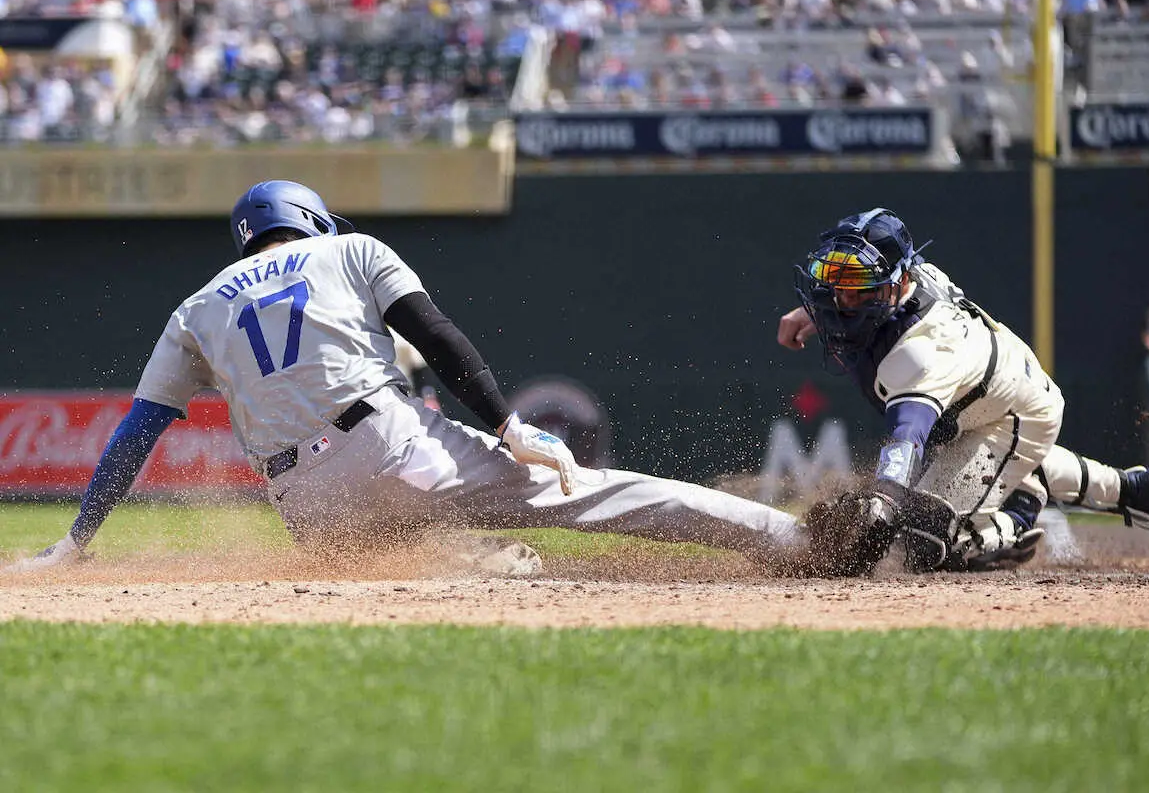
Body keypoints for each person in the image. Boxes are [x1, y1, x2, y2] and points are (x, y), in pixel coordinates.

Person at [4, 180, 801, 575]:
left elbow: (138, 432)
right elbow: (436, 336)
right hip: (391, 445)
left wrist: (78, 541)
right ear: (310, 221)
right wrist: (508, 424)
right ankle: (794, 540)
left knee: (400, 557)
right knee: (600, 495)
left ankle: (484, 567)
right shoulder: (349, 249)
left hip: (306, 505)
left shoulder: (196, 306)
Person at [777, 207, 1149, 575]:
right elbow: (867, 297)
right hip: (988, 397)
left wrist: (884, 499)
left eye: (857, 286)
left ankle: (1019, 512)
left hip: (1013, 414)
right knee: (982, 474)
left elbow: (908, 435)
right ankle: (1142, 490)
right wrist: (811, 315)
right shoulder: (914, 277)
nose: (840, 298)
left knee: (923, 539)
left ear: (899, 281)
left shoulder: (919, 353)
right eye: (835, 281)